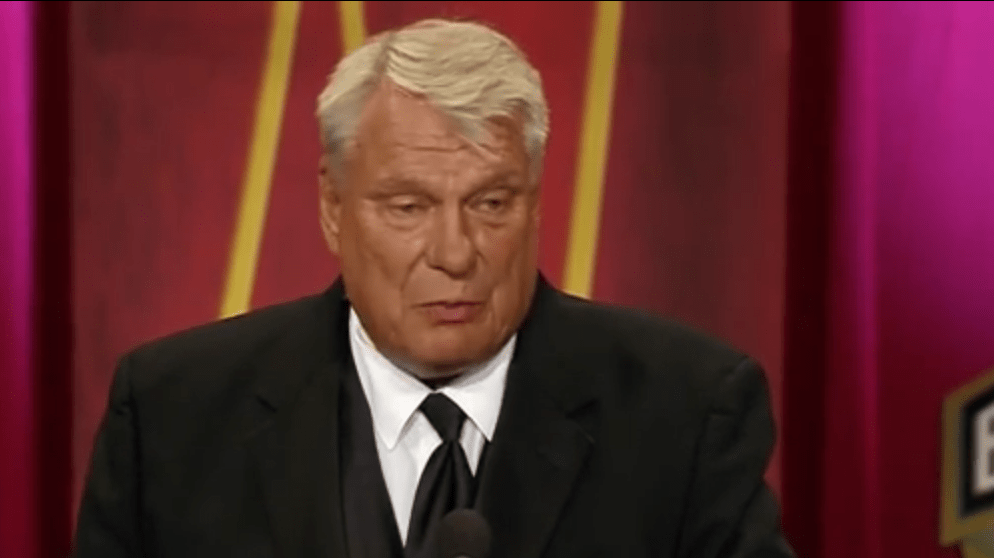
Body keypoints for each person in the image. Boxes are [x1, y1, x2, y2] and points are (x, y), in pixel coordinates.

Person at [73, 18, 796, 558]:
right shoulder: (174, 419)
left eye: (491, 202)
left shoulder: (685, 415)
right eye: (409, 206)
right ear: (333, 205)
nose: (455, 253)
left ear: (536, 201)